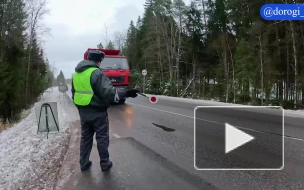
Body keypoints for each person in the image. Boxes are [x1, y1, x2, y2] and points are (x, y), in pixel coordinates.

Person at [71, 50, 139, 172]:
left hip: (83, 112)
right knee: (102, 138)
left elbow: (74, 94)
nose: (100, 64)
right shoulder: (96, 73)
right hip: (97, 112)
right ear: (98, 61)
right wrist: (127, 92)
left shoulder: (76, 74)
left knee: (86, 138)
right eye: (100, 61)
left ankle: (84, 163)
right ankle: (105, 164)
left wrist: (80, 108)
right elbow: (110, 93)